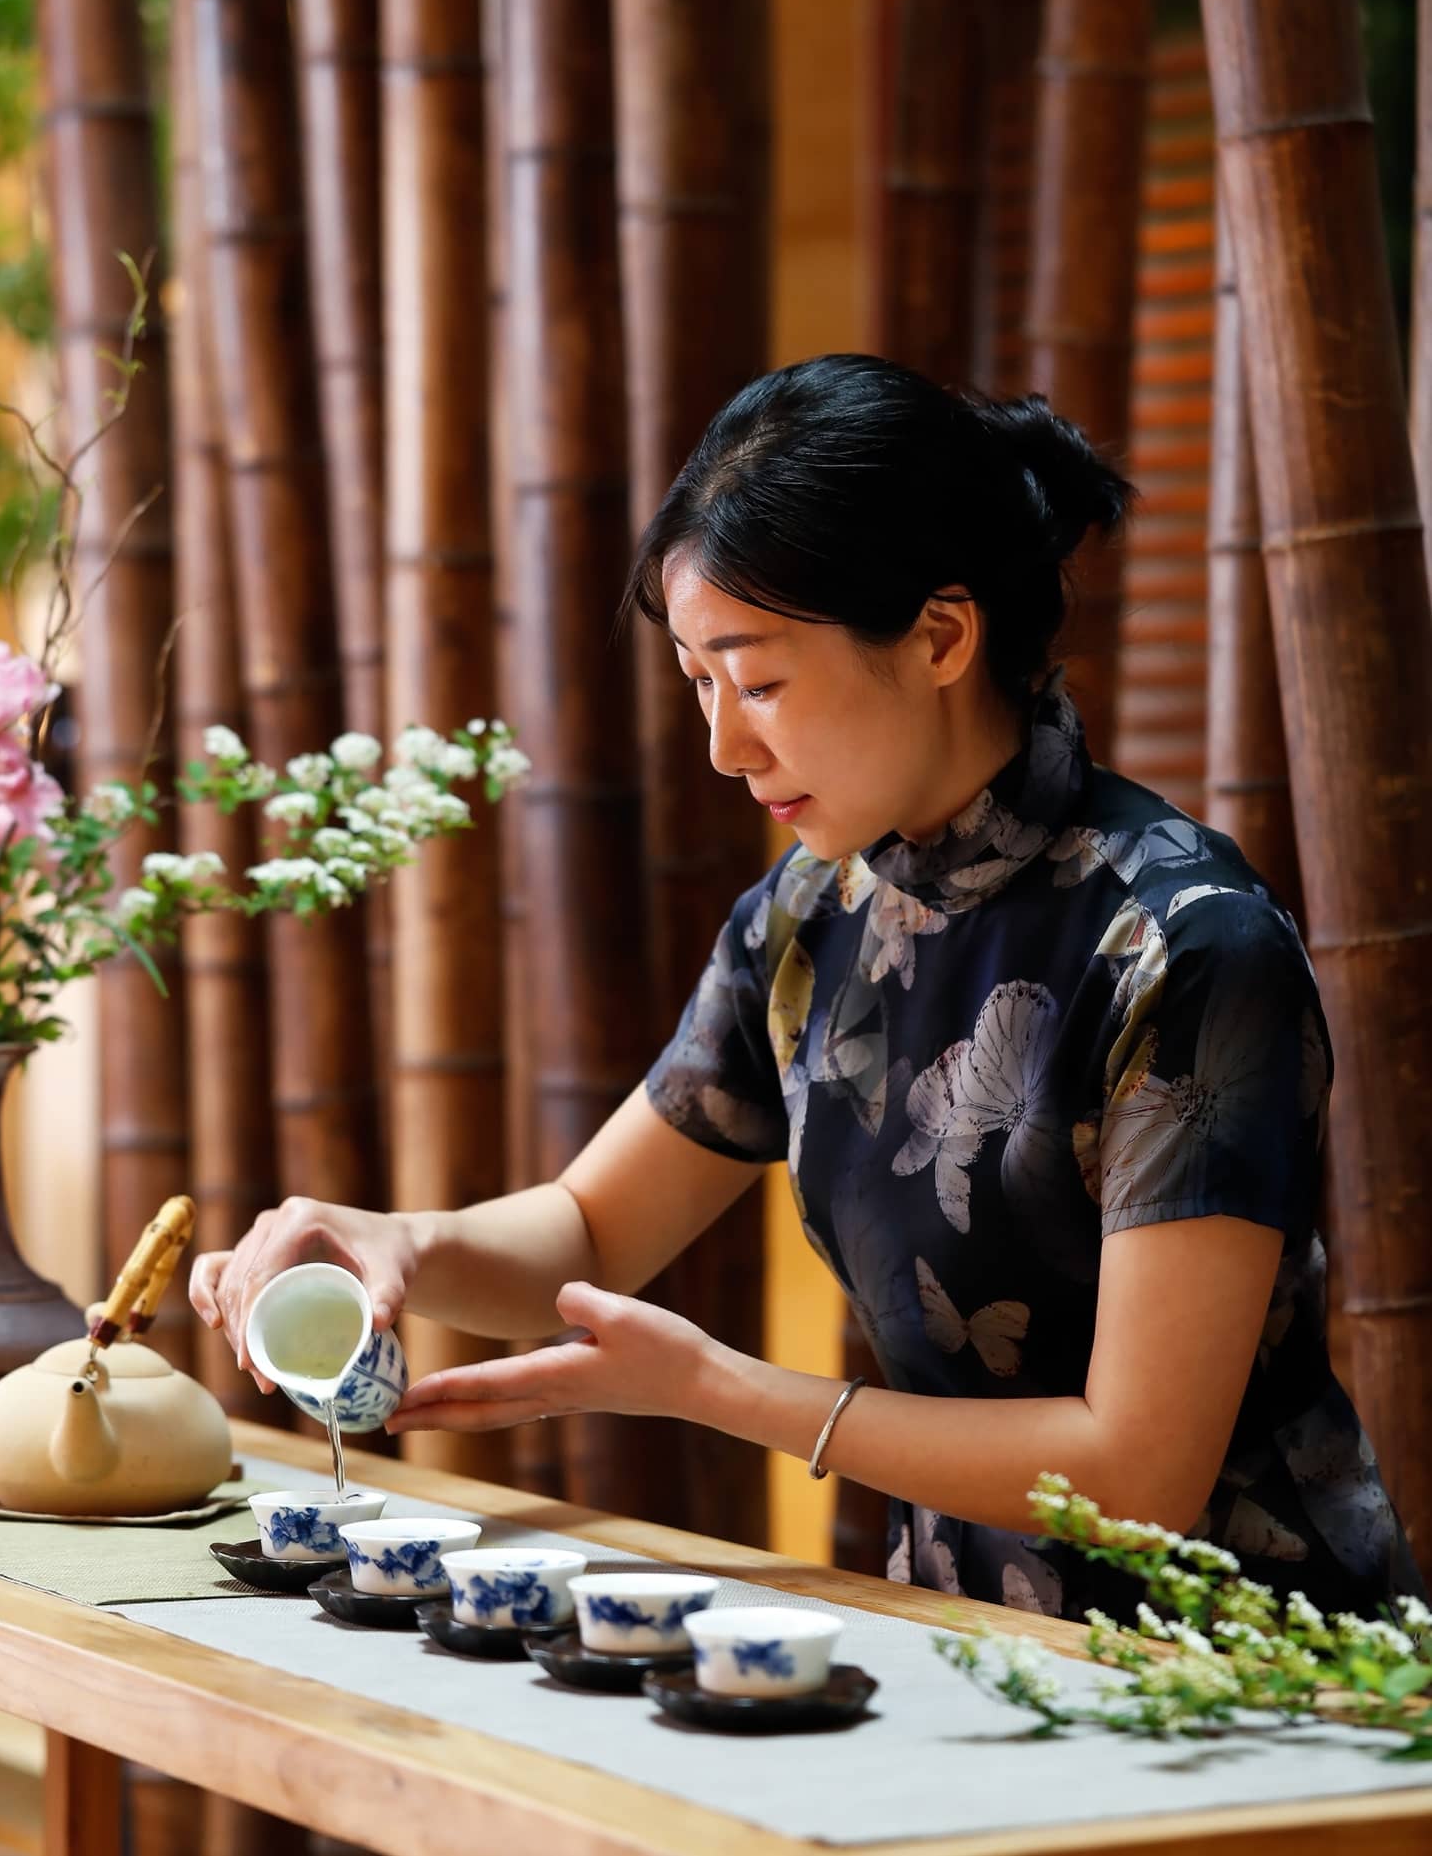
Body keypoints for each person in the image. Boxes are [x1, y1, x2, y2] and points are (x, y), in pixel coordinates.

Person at [191, 353, 1422, 1624]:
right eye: (701, 683)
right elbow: (597, 1228)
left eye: (762, 679)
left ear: (943, 635)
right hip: (965, 1639)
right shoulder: (809, 916)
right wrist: (402, 1243)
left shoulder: (1184, 944)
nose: (727, 745)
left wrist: (717, 1387)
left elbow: (1141, 1468)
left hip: (1246, 1672)